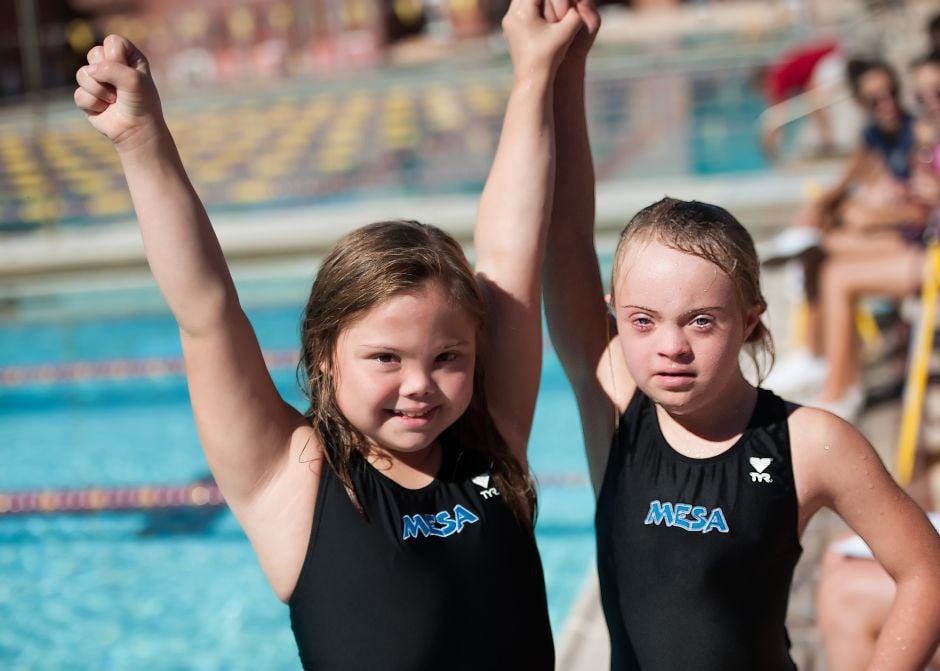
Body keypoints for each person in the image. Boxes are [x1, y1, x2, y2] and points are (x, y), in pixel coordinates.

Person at [72, 1, 586, 666]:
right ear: (323, 355)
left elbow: (511, 250)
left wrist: (533, 74)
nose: (420, 385)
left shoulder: (492, 440)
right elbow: (207, 312)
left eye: (447, 356)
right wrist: (141, 141)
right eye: (385, 357)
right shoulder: (296, 484)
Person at [539, 2, 940, 666]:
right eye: (642, 321)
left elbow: (926, 570)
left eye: (701, 320)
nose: (670, 346)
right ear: (615, 313)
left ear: (750, 316)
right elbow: (562, 238)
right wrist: (563, 69)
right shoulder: (615, 403)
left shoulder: (806, 442)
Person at [760, 58, 928, 405]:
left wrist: (872, 215)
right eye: (875, 100)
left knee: (828, 262)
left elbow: (920, 211)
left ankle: (833, 380)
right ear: (860, 104)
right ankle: (822, 364)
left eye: (892, 94)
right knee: (822, 240)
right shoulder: (876, 136)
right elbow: (847, 182)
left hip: (915, 243)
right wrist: (824, 207)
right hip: (905, 236)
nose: (888, 105)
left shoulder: (918, 135)